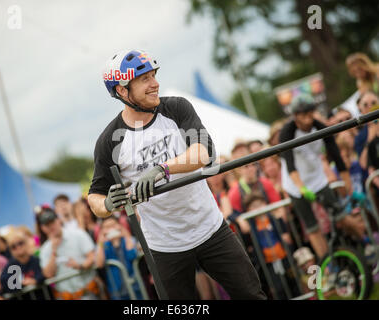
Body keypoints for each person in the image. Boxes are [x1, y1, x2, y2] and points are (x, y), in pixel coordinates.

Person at [87, 49, 266, 300]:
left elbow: (204, 153)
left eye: (154, 76)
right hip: (164, 247)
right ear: (122, 90)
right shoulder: (109, 140)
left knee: (252, 296)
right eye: (144, 79)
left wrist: (162, 169)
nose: (155, 84)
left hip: (210, 228)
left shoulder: (176, 108)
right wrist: (106, 204)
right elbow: (94, 197)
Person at [278, 94, 356, 259]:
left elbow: (336, 155)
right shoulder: (286, 132)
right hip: (295, 184)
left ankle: (362, 241)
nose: (307, 119)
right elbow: (290, 164)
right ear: (295, 116)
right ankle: (327, 263)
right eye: (303, 115)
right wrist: (301, 188)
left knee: (341, 215)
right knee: (312, 228)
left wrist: (346, 181)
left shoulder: (320, 127)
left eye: (310, 113)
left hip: (317, 179)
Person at [38, 207, 100, 300]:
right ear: (43, 228)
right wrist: (53, 251)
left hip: (88, 292)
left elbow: (92, 257)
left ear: (58, 220)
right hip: (65, 296)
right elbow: (48, 274)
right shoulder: (45, 249)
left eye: (52, 222)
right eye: (47, 225)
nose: (51, 226)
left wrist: (80, 266)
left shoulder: (78, 234)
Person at [95, 215, 142, 300]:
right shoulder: (104, 246)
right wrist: (100, 242)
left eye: (113, 225)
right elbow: (99, 263)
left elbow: (132, 255)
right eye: (107, 227)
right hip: (116, 291)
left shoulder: (128, 240)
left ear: (119, 225)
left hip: (135, 286)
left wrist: (126, 234)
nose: (111, 229)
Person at [0, 230, 46, 299]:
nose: (18, 247)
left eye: (20, 243)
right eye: (13, 246)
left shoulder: (36, 260)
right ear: (10, 250)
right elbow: (5, 283)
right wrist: (22, 284)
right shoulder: (10, 266)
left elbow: (44, 274)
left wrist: (35, 280)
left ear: (26, 243)